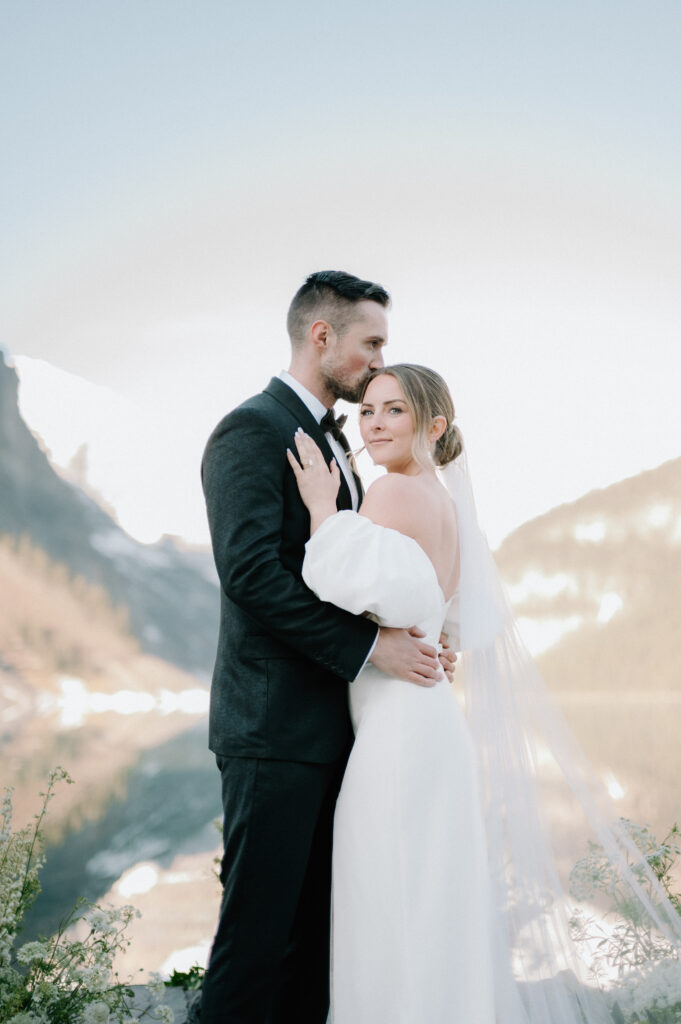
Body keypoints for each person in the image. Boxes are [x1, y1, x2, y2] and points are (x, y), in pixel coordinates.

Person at [288, 363, 681, 1023]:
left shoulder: (389, 494)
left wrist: (322, 509)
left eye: (394, 412)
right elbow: (437, 613)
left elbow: (344, 581)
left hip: (399, 729)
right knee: (433, 899)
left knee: (389, 894)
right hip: (430, 719)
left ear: (432, 426)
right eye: (368, 412)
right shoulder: (445, 503)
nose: (374, 424)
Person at [199, 273, 455, 1024]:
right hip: (274, 731)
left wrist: (413, 634)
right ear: (322, 337)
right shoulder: (253, 430)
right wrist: (370, 648)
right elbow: (249, 575)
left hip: (345, 729)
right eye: (371, 343)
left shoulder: (338, 443)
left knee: (317, 943)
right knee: (256, 940)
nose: (380, 359)